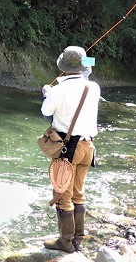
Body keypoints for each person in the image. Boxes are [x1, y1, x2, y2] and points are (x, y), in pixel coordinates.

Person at [40, 46, 101, 253]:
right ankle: (78, 240)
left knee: (62, 194)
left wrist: (46, 94)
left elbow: (46, 114)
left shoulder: (57, 90)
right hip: (87, 147)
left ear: (63, 67)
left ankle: (65, 242)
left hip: (67, 149)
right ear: (84, 66)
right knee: (78, 193)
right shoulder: (94, 88)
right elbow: (87, 76)